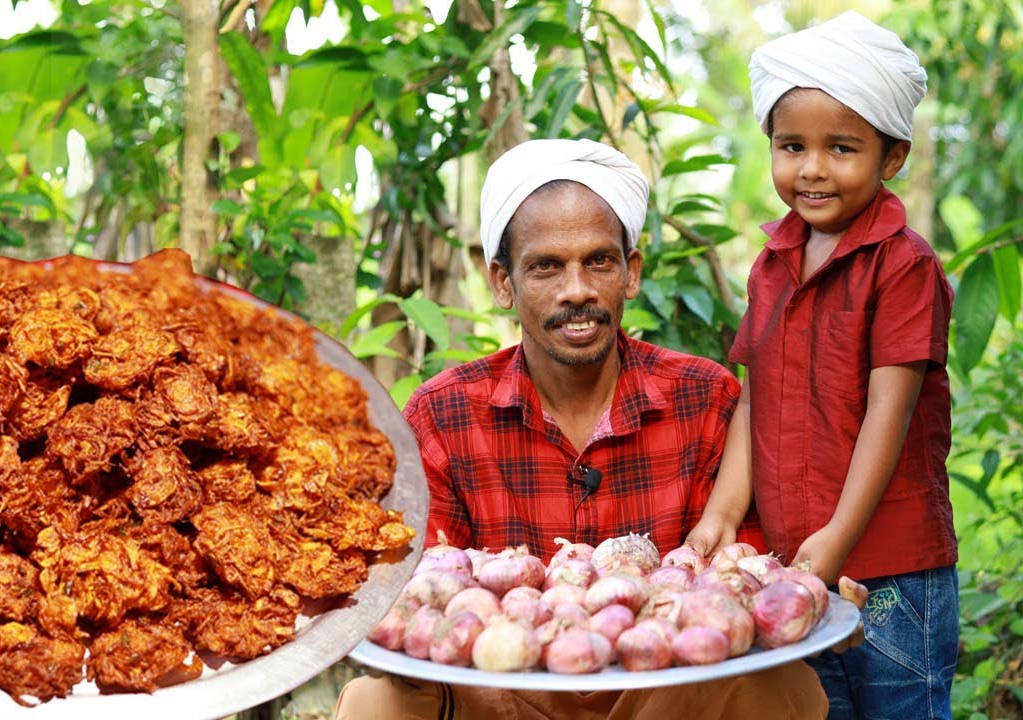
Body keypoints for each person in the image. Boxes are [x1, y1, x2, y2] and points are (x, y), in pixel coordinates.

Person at [334, 138, 827, 719]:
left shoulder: (704, 396)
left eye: (599, 260)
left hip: (664, 691)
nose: (578, 290)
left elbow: (737, 582)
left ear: (632, 271)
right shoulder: (443, 413)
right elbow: (422, 598)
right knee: (377, 701)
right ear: (502, 283)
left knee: (781, 687)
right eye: (546, 266)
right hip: (502, 693)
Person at [684, 11, 958, 720]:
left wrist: (837, 540)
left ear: (891, 156)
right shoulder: (772, 262)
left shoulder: (903, 265)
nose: (811, 168)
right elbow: (755, 398)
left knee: (899, 709)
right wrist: (723, 510)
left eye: (841, 148)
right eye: (791, 146)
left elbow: (888, 416)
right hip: (793, 563)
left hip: (890, 565)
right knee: (814, 709)